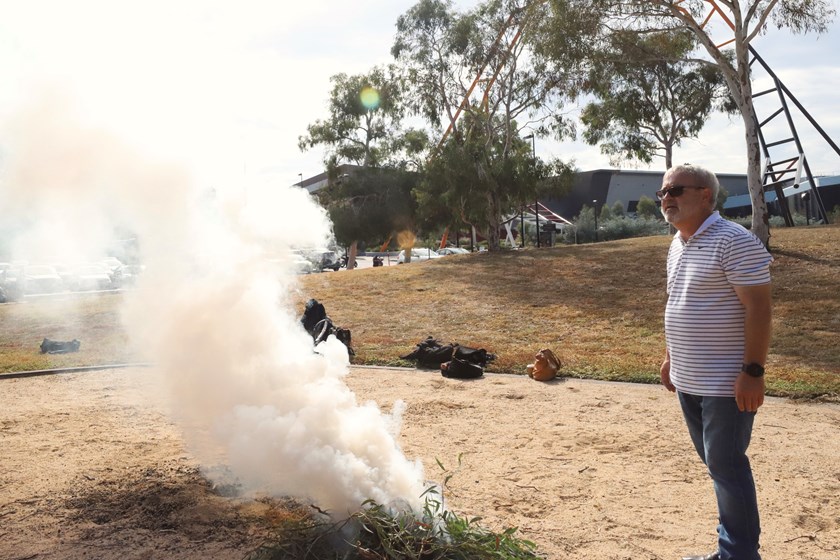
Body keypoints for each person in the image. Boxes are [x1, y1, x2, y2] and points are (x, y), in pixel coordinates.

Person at [658, 164, 773, 560]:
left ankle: (739, 554)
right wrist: (671, 357)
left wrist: (753, 373)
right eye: (663, 192)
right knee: (717, 465)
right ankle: (732, 549)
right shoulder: (678, 242)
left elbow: (759, 309)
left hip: (727, 382)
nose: (666, 198)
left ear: (706, 194)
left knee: (726, 466)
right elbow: (679, 302)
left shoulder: (733, 241)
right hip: (689, 379)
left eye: (675, 190)